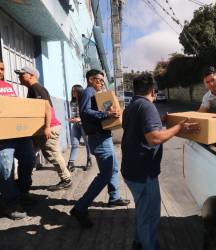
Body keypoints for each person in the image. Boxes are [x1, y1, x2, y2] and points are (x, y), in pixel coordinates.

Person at [121, 73, 199, 250]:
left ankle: (139, 242)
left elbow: (139, 130)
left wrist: (160, 121)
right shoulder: (147, 107)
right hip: (143, 173)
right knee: (150, 215)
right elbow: (154, 138)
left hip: (131, 169)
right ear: (152, 90)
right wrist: (179, 127)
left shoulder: (131, 106)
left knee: (142, 209)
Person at [70, 69, 130, 228]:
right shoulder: (87, 91)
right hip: (98, 137)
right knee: (106, 174)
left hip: (103, 135)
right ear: (90, 79)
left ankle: (114, 197)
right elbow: (85, 112)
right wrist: (106, 115)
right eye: (98, 80)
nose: (101, 83)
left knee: (113, 167)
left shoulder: (94, 93)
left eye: (102, 80)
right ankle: (80, 208)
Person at [15, 66, 72, 191]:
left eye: (22, 74)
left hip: (48, 128)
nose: (19, 76)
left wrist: (46, 127)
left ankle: (66, 180)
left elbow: (47, 108)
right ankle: (23, 180)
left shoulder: (37, 88)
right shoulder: (32, 89)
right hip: (38, 130)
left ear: (31, 75)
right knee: (27, 154)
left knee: (52, 154)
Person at [0, 60, 36, 219]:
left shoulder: (7, 85)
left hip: (19, 133)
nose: (1, 72)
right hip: (2, 138)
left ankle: (23, 192)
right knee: (5, 169)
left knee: (29, 161)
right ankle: (11, 203)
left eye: (2, 69)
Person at [67, 85, 92, 172]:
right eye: (72, 91)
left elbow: (88, 114)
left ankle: (89, 160)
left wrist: (80, 119)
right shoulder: (72, 102)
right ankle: (71, 162)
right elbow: (75, 115)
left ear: (80, 92)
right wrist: (72, 119)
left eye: (75, 91)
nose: (73, 93)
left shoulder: (85, 101)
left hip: (84, 125)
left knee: (87, 144)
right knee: (74, 144)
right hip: (76, 125)